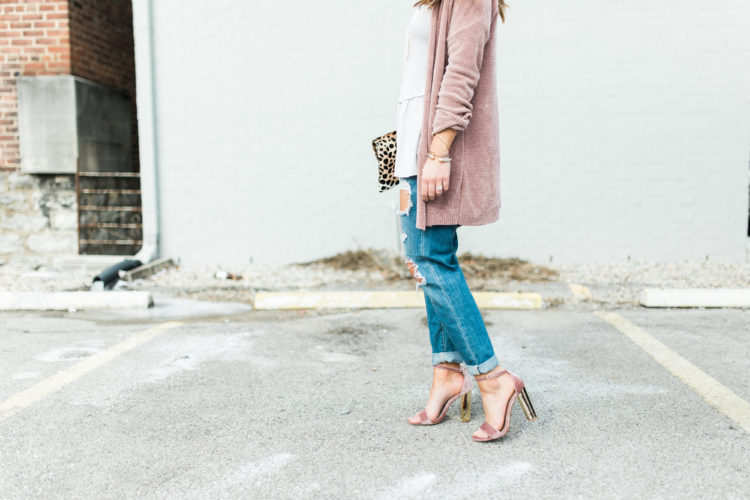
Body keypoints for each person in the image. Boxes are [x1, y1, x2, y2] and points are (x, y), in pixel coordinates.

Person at [395, 0, 537, 442]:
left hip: (435, 149)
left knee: (431, 260)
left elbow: (461, 74)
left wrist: (439, 152)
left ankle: (493, 377)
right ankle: (446, 373)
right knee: (422, 263)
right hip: (411, 146)